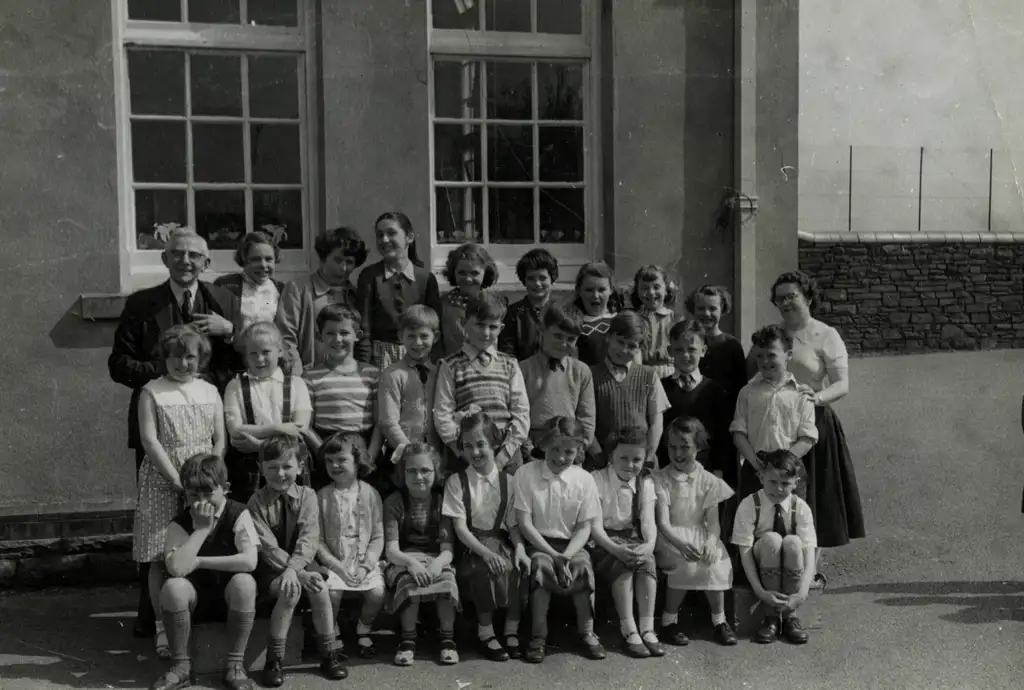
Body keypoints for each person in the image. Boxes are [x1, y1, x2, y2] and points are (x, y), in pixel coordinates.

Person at [109, 229, 240, 638]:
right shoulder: (141, 303)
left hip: (205, 429)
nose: (186, 261)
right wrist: (166, 375)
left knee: (202, 526)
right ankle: (152, 616)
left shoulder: (224, 302)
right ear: (165, 259)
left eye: (195, 256)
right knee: (156, 530)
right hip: (160, 435)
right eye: (178, 254)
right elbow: (119, 364)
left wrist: (231, 332)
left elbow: (240, 364)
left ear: (206, 263)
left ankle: (195, 614)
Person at [132, 325, 225, 660]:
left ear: (200, 358)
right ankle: (162, 627)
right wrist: (177, 481)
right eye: (176, 356)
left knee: (198, 543)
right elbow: (149, 441)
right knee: (160, 556)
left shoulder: (209, 390)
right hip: (163, 480)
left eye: (190, 356)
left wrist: (207, 477)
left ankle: (190, 618)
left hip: (201, 478)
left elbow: (219, 439)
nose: (183, 363)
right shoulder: (152, 392)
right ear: (164, 358)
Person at [770, 270, 865, 549]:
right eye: (779, 299)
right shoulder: (774, 334)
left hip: (815, 423)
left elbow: (842, 383)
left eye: (792, 297)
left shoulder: (826, 335)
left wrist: (817, 398)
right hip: (778, 423)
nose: (785, 304)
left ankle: (810, 567)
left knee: (816, 497)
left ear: (808, 297)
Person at [149, 453, 259, 690]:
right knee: (172, 587)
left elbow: (250, 562)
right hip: (194, 602)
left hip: (233, 599)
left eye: (208, 492)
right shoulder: (180, 523)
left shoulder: (238, 513)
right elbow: (177, 568)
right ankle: (180, 668)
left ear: (225, 488)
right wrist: (200, 530)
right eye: (193, 494)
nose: (201, 501)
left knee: (245, 582)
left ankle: (235, 667)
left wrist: (199, 561)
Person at [247, 436, 346, 686]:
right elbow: (267, 547)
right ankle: (274, 660)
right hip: (270, 568)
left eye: (287, 466)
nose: (280, 473)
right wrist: (294, 573)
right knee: (289, 591)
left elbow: (309, 538)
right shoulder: (255, 503)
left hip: (301, 562)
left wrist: (296, 569)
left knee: (320, 587)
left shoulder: (308, 496)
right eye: (272, 467)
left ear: (299, 467)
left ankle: (329, 654)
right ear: (261, 469)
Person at [515, 416, 606, 664]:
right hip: (540, 543)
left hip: (572, 545)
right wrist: (553, 555)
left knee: (582, 568)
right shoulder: (526, 474)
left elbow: (584, 526)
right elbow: (524, 523)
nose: (561, 457)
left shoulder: (584, 479)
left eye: (569, 451)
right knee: (541, 571)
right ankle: (538, 636)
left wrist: (566, 554)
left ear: (578, 452)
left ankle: (587, 632)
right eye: (554, 449)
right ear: (543, 445)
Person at [443, 411, 529, 662]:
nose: (475, 452)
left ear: (495, 444)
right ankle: (486, 632)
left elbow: (513, 526)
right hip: (472, 546)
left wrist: (520, 550)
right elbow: (460, 529)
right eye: (467, 446)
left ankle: (511, 631)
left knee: (518, 567)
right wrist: (486, 553)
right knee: (484, 569)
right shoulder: (456, 482)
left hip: (502, 542)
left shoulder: (510, 482)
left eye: (481, 444)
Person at [655, 416, 737, 647]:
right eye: (672, 447)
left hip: (700, 534)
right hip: (670, 537)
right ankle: (669, 621)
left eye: (685, 447)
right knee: (685, 563)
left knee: (714, 562)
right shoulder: (661, 479)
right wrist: (679, 544)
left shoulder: (709, 481)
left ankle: (719, 621)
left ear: (699, 447)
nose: (678, 453)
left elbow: (713, 523)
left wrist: (711, 542)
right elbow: (663, 523)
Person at [433, 291, 530, 476]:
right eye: (479, 324)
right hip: (467, 458)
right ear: (463, 324)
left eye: (492, 327)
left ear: (500, 329)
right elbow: (443, 413)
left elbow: (521, 412)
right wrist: (463, 452)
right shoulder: (451, 365)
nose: (486, 333)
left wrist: (503, 456)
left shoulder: (509, 364)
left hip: (506, 457)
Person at [588, 427, 665, 659]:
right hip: (603, 542)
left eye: (637, 459)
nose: (630, 465)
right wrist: (614, 549)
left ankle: (647, 627)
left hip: (632, 538)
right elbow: (594, 527)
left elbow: (649, 521)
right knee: (623, 564)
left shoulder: (645, 484)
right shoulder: (597, 480)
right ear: (611, 456)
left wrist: (650, 544)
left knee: (646, 561)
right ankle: (628, 628)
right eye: (623, 457)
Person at [383, 444, 461, 666]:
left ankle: (447, 639)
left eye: (425, 470)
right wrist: (411, 564)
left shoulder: (442, 501)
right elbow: (391, 550)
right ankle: (408, 640)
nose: (419, 476)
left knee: (447, 580)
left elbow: (447, 550)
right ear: (402, 473)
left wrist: (438, 563)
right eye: (412, 471)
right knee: (410, 582)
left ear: (436, 471)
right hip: (403, 559)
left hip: (436, 558)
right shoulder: (394, 502)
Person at [731, 449, 817, 645]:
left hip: (791, 568)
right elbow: (744, 551)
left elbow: (809, 551)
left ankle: (790, 617)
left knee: (794, 542)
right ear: (761, 477)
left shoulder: (801, 507)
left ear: (796, 482)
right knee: (772, 540)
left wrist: (802, 594)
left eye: (785, 484)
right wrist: (760, 592)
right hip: (760, 566)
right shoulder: (750, 504)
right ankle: (770, 618)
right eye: (772, 482)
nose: (778, 489)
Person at [313, 432, 386, 659]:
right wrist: (335, 566)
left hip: (363, 560)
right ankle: (331, 632)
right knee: (331, 593)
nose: (334, 465)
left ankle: (364, 628)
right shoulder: (321, 497)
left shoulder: (372, 494)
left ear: (357, 460)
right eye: (329, 460)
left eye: (341, 459)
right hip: (335, 561)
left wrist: (367, 565)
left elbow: (377, 536)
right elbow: (318, 539)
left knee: (377, 592)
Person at [223, 322, 312, 503]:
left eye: (266, 352)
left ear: (279, 351)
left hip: (289, 467)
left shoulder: (296, 384)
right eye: (253, 354)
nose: (259, 359)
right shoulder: (235, 385)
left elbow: (300, 429)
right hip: (249, 471)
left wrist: (259, 446)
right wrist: (279, 427)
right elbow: (235, 430)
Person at [730, 325, 818, 501]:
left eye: (771, 355)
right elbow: (738, 434)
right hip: (757, 467)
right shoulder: (747, 392)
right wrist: (757, 465)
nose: (765, 361)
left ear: (788, 355)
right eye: (760, 356)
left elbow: (808, 438)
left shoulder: (801, 394)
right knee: (754, 520)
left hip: (790, 468)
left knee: (791, 521)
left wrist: (784, 465)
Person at [302, 304, 384, 487]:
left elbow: (380, 423)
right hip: (327, 449)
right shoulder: (310, 377)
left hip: (363, 449)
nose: (338, 339)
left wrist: (369, 456)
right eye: (330, 333)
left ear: (357, 336)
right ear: (319, 336)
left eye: (345, 333)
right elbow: (306, 425)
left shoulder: (372, 374)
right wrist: (327, 456)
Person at [276, 227, 369, 375]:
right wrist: (298, 378)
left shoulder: (355, 295)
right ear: (323, 258)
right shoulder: (298, 290)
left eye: (349, 262)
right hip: (307, 377)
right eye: (337, 260)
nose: (343, 268)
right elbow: (286, 339)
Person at [356, 212, 443, 369]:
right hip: (381, 358)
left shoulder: (425, 279)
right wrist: (364, 366)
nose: (384, 240)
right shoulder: (369, 276)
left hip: (419, 354)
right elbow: (364, 329)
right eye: (379, 235)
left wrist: (434, 364)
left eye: (391, 233)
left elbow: (436, 327)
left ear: (409, 237)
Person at [589, 311, 670, 470]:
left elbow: (656, 422)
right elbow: (586, 422)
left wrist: (648, 456)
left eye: (632, 346)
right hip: (603, 464)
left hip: (640, 463)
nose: (624, 350)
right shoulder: (590, 375)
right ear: (608, 337)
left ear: (640, 348)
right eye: (620, 342)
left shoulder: (649, 376)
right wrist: (598, 456)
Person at [659, 320, 736, 486]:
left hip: (704, 474)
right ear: (670, 351)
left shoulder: (714, 391)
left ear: (703, 350)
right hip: (668, 474)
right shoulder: (661, 388)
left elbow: (722, 435)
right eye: (679, 350)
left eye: (692, 349)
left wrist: (718, 471)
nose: (686, 355)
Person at [518, 302, 596, 459]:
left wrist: (580, 446)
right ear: (542, 329)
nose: (563, 343)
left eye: (571, 339)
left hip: (569, 447)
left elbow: (587, 416)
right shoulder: (523, 369)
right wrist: (529, 449)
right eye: (557, 335)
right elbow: (519, 414)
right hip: (534, 447)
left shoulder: (581, 371)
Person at [377, 305, 442, 483]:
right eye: (411, 336)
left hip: (434, 456)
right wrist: (409, 453)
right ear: (400, 337)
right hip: (402, 455)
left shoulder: (440, 374)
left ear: (435, 337)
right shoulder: (392, 374)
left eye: (424, 336)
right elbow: (388, 421)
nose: (417, 342)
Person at [214, 231, 287, 341]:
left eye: (268, 259)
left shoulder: (282, 290)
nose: (263, 265)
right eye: (255, 259)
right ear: (244, 260)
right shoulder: (225, 285)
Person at [685, 285, 748, 407]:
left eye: (712, 308)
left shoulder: (731, 345)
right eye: (701, 308)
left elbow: (740, 387)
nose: (707, 313)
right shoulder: (686, 341)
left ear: (722, 310)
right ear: (693, 310)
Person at [440, 243, 500, 357]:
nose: (468, 279)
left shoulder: (494, 303)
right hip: (451, 369)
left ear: (486, 272)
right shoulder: (443, 304)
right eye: (462, 273)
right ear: (453, 272)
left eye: (474, 273)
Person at [499, 248, 558, 361]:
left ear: (552, 279)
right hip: (522, 374)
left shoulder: (562, 311)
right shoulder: (513, 314)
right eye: (531, 278)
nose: (537, 283)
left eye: (542, 278)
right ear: (524, 281)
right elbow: (507, 354)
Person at [628, 265, 678, 379]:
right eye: (645, 288)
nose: (651, 292)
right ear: (637, 291)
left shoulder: (675, 318)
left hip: (671, 372)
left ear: (666, 290)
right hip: (643, 373)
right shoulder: (635, 319)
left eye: (656, 287)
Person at [567, 261, 620, 366]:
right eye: (589, 290)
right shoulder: (573, 324)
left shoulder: (619, 321)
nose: (595, 296)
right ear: (579, 290)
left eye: (601, 290)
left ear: (611, 290)